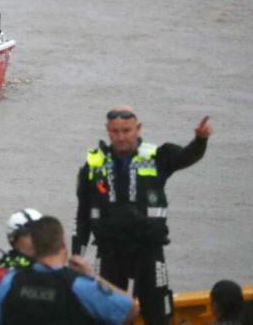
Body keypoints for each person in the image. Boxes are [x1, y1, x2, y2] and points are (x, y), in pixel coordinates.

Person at [72, 106, 213, 325]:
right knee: (105, 316)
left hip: (148, 250)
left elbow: (188, 156)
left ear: (138, 129)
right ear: (107, 131)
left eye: (126, 131)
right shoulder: (93, 166)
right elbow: (83, 216)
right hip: (109, 252)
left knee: (158, 314)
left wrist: (200, 140)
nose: (121, 137)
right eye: (115, 131)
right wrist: (76, 255)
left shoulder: (158, 157)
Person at [0, 216, 138, 325]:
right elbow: (131, 308)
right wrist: (92, 275)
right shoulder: (80, 285)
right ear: (63, 244)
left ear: (35, 248)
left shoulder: (10, 281)